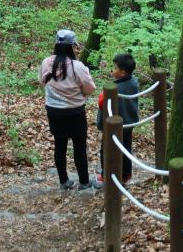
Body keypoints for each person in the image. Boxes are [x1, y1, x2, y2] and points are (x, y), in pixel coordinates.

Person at [39, 28, 102, 192]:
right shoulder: (78, 66)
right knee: (79, 147)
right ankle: (84, 181)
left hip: (53, 111)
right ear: (72, 46)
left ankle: (64, 181)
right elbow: (90, 89)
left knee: (59, 145)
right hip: (75, 112)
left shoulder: (46, 62)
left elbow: (42, 81)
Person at [96, 52, 139, 183]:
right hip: (129, 123)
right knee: (126, 149)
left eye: (115, 68)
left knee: (107, 150)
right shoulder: (134, 81)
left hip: (114, 125)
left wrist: (102, 94)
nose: (112, 70)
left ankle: (106, 175)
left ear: (123, 73)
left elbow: (102, 102)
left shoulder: (117, 88)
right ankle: (126, 174)